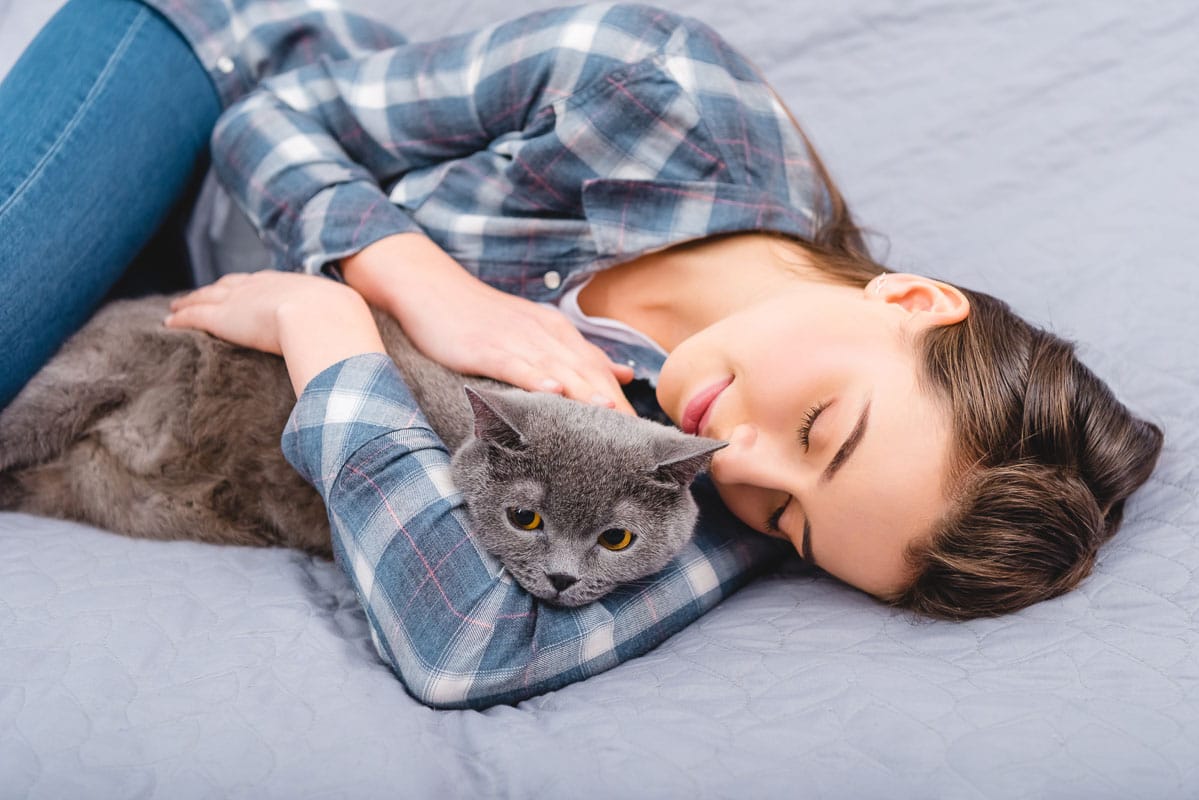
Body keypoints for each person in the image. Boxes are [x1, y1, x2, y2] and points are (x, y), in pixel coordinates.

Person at [0, 0, 1163, 708]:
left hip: (171, 298)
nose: (741, 458)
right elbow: (272, 119)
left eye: (795, 526)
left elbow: (464, 651)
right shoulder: (656, 91)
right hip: (204, 88)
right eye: (820, 425)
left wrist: (325, 332)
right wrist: (420, 286)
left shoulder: (707, 493)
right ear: (910, 297)